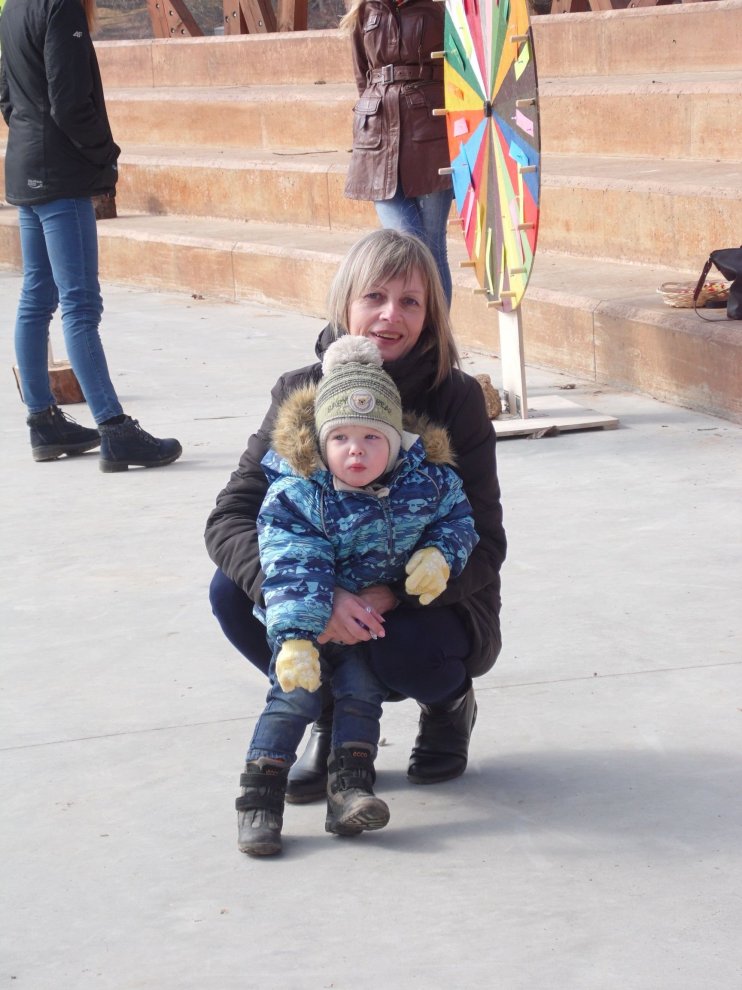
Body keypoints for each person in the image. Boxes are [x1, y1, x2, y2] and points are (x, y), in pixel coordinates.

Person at [206, 228, 507, 806]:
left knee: (404, 647)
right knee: (230, 591)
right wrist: (312, 597)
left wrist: (392, 594)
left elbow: (487, 540)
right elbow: (231, 516)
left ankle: (448, 704)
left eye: (410, 301)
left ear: (430, 314)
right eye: (374, 296)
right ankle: (326, 712)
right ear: (345, 302)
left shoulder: (456, 398)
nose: (391, 315)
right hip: (321, 586)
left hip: (424, 601)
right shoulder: (299, 390)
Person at [237, 334, 479, 856]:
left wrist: (439, 556)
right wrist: (298, 635)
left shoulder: (425, 482)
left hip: (369, 625)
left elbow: (458, 519)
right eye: (341, 437)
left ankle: (349, 791)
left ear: (396, 441)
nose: (356, 450)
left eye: (372, 437)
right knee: (293, 699)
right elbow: (290, 563)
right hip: (308, 626)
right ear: (321, 442)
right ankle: (260, 801)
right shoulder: (300, 494)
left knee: (361, 698)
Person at [0, 0, 182, 471]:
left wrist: (33, 139)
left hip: (25, 164)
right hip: (60, 175)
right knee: (80, 305)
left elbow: (6, 95)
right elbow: (69, 102)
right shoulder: (60, 6)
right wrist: (105, 154)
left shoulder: (14, 6)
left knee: (36, 297)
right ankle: (115, 429)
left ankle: (43, 422)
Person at [340, 0, 454, 306]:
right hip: (377, 137)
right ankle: (413, 326)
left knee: (432, 246)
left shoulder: (439, 7)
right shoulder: (364, 10)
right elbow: (362, 75)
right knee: (404, 238)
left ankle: (435, 333)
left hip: (430, 133)